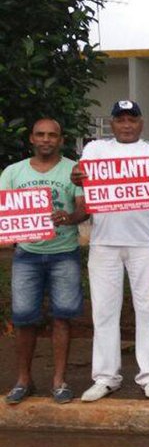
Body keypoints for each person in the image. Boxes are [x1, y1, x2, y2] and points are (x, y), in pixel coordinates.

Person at [71, 100, 149, 402]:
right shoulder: (95, 149)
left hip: (144, 241)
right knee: (104, 310)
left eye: (132, 119)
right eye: (120, 119)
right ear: (111, 123)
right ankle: (105, 377)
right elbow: (80, 175)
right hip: (104, 241)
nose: (126, 125)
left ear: (141, 122)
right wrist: (76, 176)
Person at [2, 118, 88, 404]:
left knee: (63, 317)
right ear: (31, 138)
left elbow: (84, 208)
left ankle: (59, 381)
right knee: (24, 318)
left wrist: (70, 217)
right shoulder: (13, 172)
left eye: (52, 135)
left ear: (61, 140)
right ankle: (23, 380)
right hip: (27, 255)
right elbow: (4, 209)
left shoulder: (73, 170)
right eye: (40, 134)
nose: (46, 139)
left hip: (64, 253)